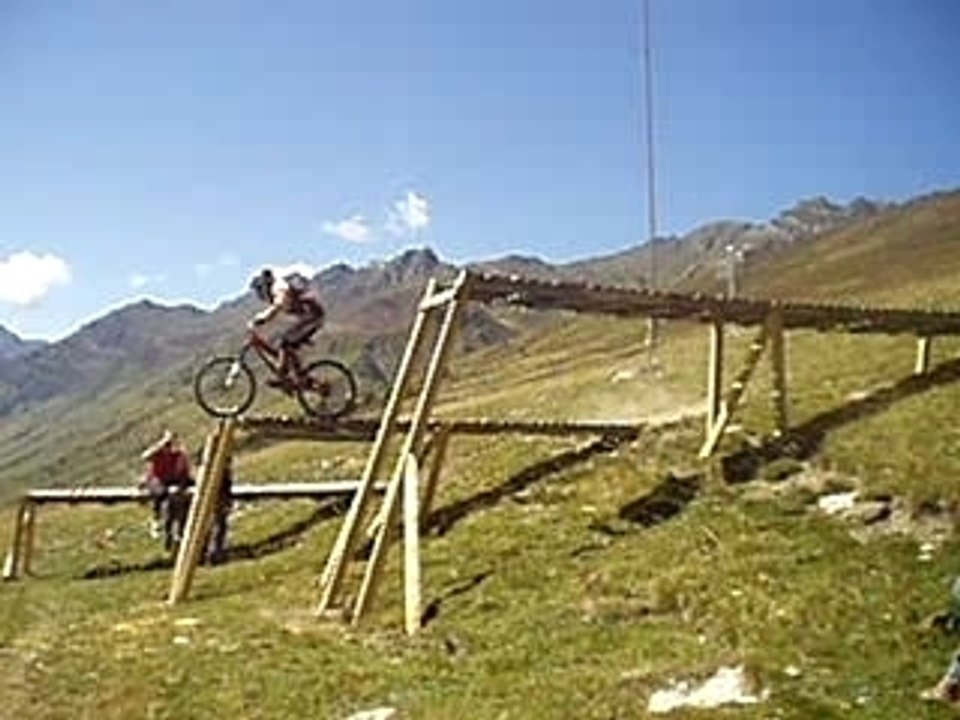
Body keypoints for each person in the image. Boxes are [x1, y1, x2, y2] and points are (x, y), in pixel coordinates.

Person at [247, 268, 325, 390]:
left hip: (312, 317)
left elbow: (278, 305)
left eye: (259, 291)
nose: (260, 295)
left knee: (285, 341)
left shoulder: (278, 287)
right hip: (309, 317)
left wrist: (262, 318)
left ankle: (282, 376)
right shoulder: (278, 287)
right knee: (286, 344)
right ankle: (302, 379)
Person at [139, 430, 193, 539]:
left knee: (181, 497)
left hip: (174, 480)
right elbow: (145, 456)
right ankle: (157, 519)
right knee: (160, 492)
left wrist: (181, 483)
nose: (169, 446)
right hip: (159, 479)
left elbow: (184, 470)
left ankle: (179, 528)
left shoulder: (179, 454)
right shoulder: (158, 452)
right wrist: (161, 444)